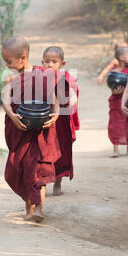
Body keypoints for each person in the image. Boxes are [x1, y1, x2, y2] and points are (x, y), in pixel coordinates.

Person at [2, 37, 61, 223]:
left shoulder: (44, 74)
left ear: (22, 57)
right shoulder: (11, 78)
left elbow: (54, 98)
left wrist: (57, 114)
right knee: (22, 169)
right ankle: (29, 207)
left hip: (42, 131)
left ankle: (39, 210)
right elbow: (5, 100)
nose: (6, 64)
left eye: (8, 61)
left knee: (40, 170)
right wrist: (12, 116)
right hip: (21, 130)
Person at [41, 46, 79, 195]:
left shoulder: (65, 78)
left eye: (54, 62)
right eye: (47, 61)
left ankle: (58, 184)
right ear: (41, 62)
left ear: (62, 64)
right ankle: (42, 183)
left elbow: (73, 96)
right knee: (43, 151)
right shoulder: (38, 78)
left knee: (61, 151)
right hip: (45, 120)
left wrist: (67, 104)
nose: (50, 65)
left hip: (61, 123)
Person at [108, 46, 128, 158]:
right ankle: (116, 149)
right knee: (115, 124)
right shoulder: (114, 72)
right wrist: (115, 91)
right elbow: (112, 86)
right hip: (115, 101)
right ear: (121, 57)